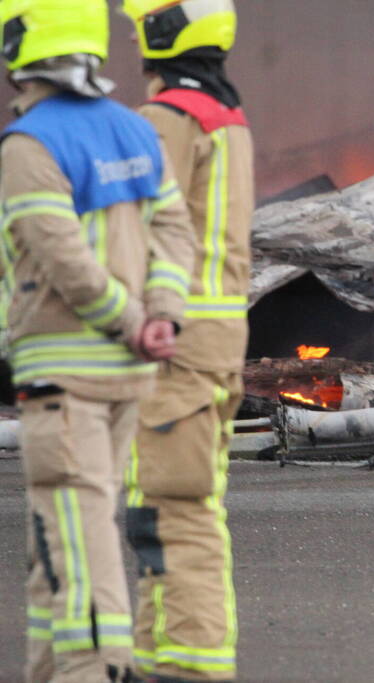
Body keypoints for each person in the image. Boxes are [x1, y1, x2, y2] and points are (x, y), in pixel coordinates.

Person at [0, 0, 196, 680]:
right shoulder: (132, 128)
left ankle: (99, 668)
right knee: (57, 541)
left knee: (78, 538)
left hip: (64, 374)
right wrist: (161, 315)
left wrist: (126, 317)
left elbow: (63, 257)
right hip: (124, 374)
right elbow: (175, 231)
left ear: (18, 42)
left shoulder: (29, 145)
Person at [119, 1, 253, 680]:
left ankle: (191, 666)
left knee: (173, 510)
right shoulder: (224, 114)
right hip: (214, 337)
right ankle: (159, 656)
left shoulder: (169, 117)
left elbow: (135, 225)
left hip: (176, 341)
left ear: (164, 28)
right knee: (165, 505)